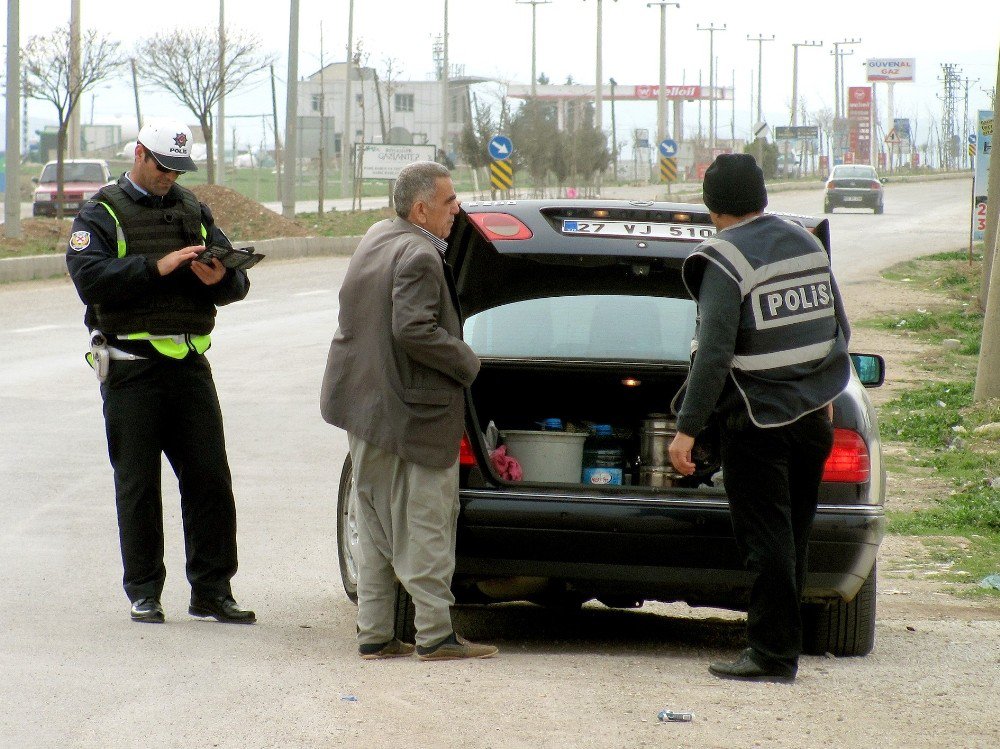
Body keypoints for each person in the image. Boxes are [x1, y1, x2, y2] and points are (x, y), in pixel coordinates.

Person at [668, 153, 852, 682]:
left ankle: (771, 655)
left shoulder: (725, 259)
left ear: (710, 205)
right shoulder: (807, 242)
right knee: (793, 535)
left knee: (767, 540)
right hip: (814, 417)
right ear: (762, 194)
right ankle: (783, 647)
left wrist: (688, 429)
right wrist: (824, 388)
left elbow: (714, 355)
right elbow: (837, 327)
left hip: (757, 422)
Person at [66, 118, 256, 625]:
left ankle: (212, 591)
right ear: (139, 155)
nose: (170, 176)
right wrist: (158, 267)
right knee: (138, 485)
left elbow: (236, 284)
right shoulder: (100, 211)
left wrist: (222, 278)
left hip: (190, 367)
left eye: (178, 168)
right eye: (162, 166)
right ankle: (144, 591)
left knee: (210, 481)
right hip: (132, 371)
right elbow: (90, 279)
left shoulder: (195, 209)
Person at [320, 161, 497, 661]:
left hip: (363, 406)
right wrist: (467, 360)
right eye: (449, 201)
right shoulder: (419, 254)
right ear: (421, 208)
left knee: (375, 523)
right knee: (427, 522)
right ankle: (436, 634)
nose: (456, 209)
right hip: (410, 415)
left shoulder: (378, 236)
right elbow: (414, 329)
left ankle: (375, 632)